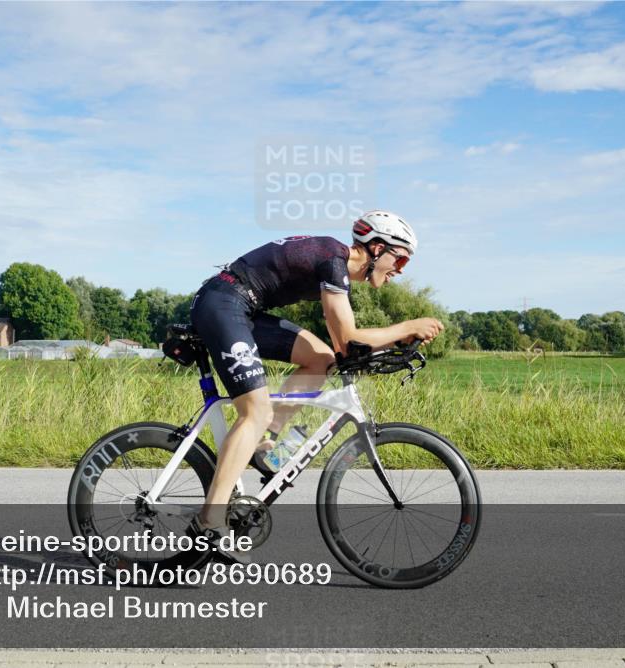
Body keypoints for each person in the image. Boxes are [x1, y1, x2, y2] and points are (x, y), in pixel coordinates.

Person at [188, 210, 444, 560]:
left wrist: (398, 340)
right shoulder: (333, 261)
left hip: (243, 308)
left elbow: (340, 350)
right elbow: (349, 341)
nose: (401, 269)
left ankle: (264, 445)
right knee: (255, 411)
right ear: (377, 248)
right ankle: (209, 521)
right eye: (400, 259)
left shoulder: (335, 264)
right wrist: (406, 327)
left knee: (321, 359)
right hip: (223, 302)